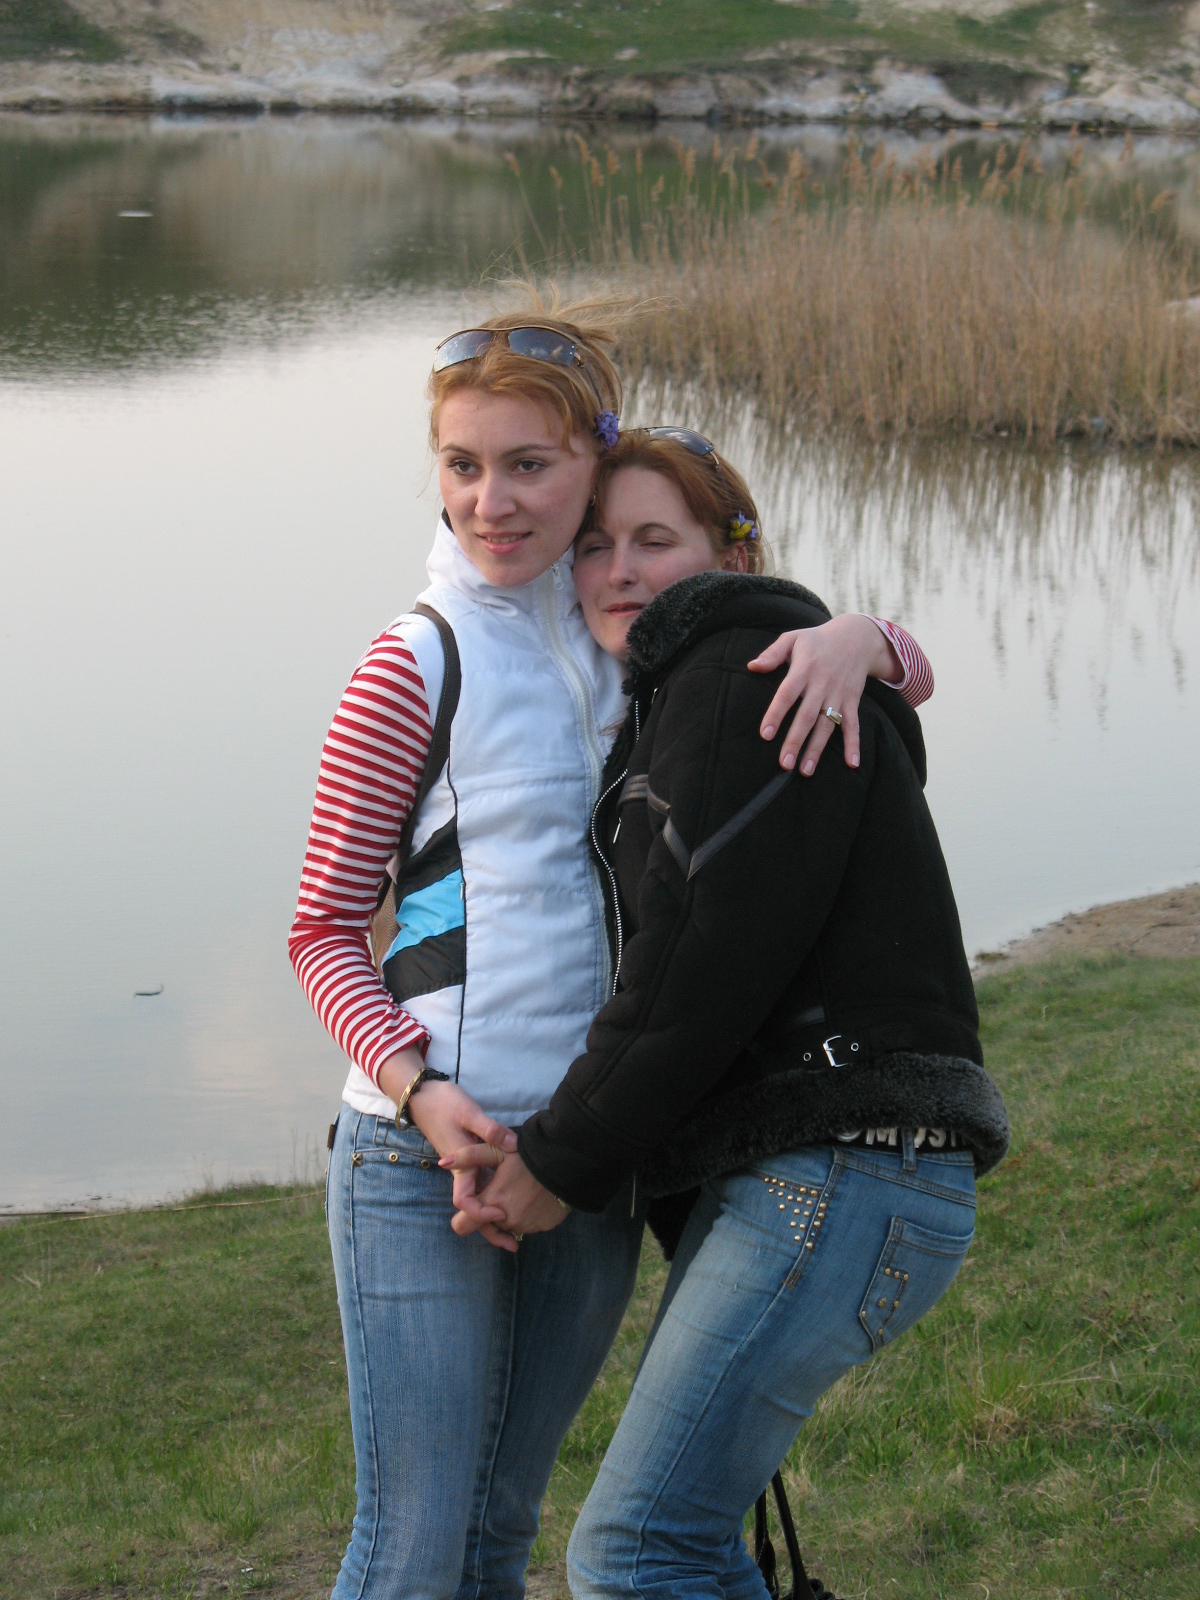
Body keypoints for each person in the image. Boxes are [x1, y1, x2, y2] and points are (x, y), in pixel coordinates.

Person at [288, 304, 938, 1600]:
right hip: (424, 1159)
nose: (492, 501)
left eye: (529, 465)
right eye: (463, 465)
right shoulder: (411, 666)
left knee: (499, 1533)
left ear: (595, 462)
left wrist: (864, 637)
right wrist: (417, 1089)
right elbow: (321, 929)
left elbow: (866, 681)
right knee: (412, 1548)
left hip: (588, 1159)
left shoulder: (629, 645)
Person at [448, 428, 1009, 1600]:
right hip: (854, 1168)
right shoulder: (713, 684)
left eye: (656, 540)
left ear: (730, 553)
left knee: (635, 1551)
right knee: (680, 1545)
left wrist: (559, 1158)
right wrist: (873, 637)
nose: (619, 570)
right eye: (595, 544)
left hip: (843, 1166)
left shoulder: (738, 676)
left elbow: (695, 963)